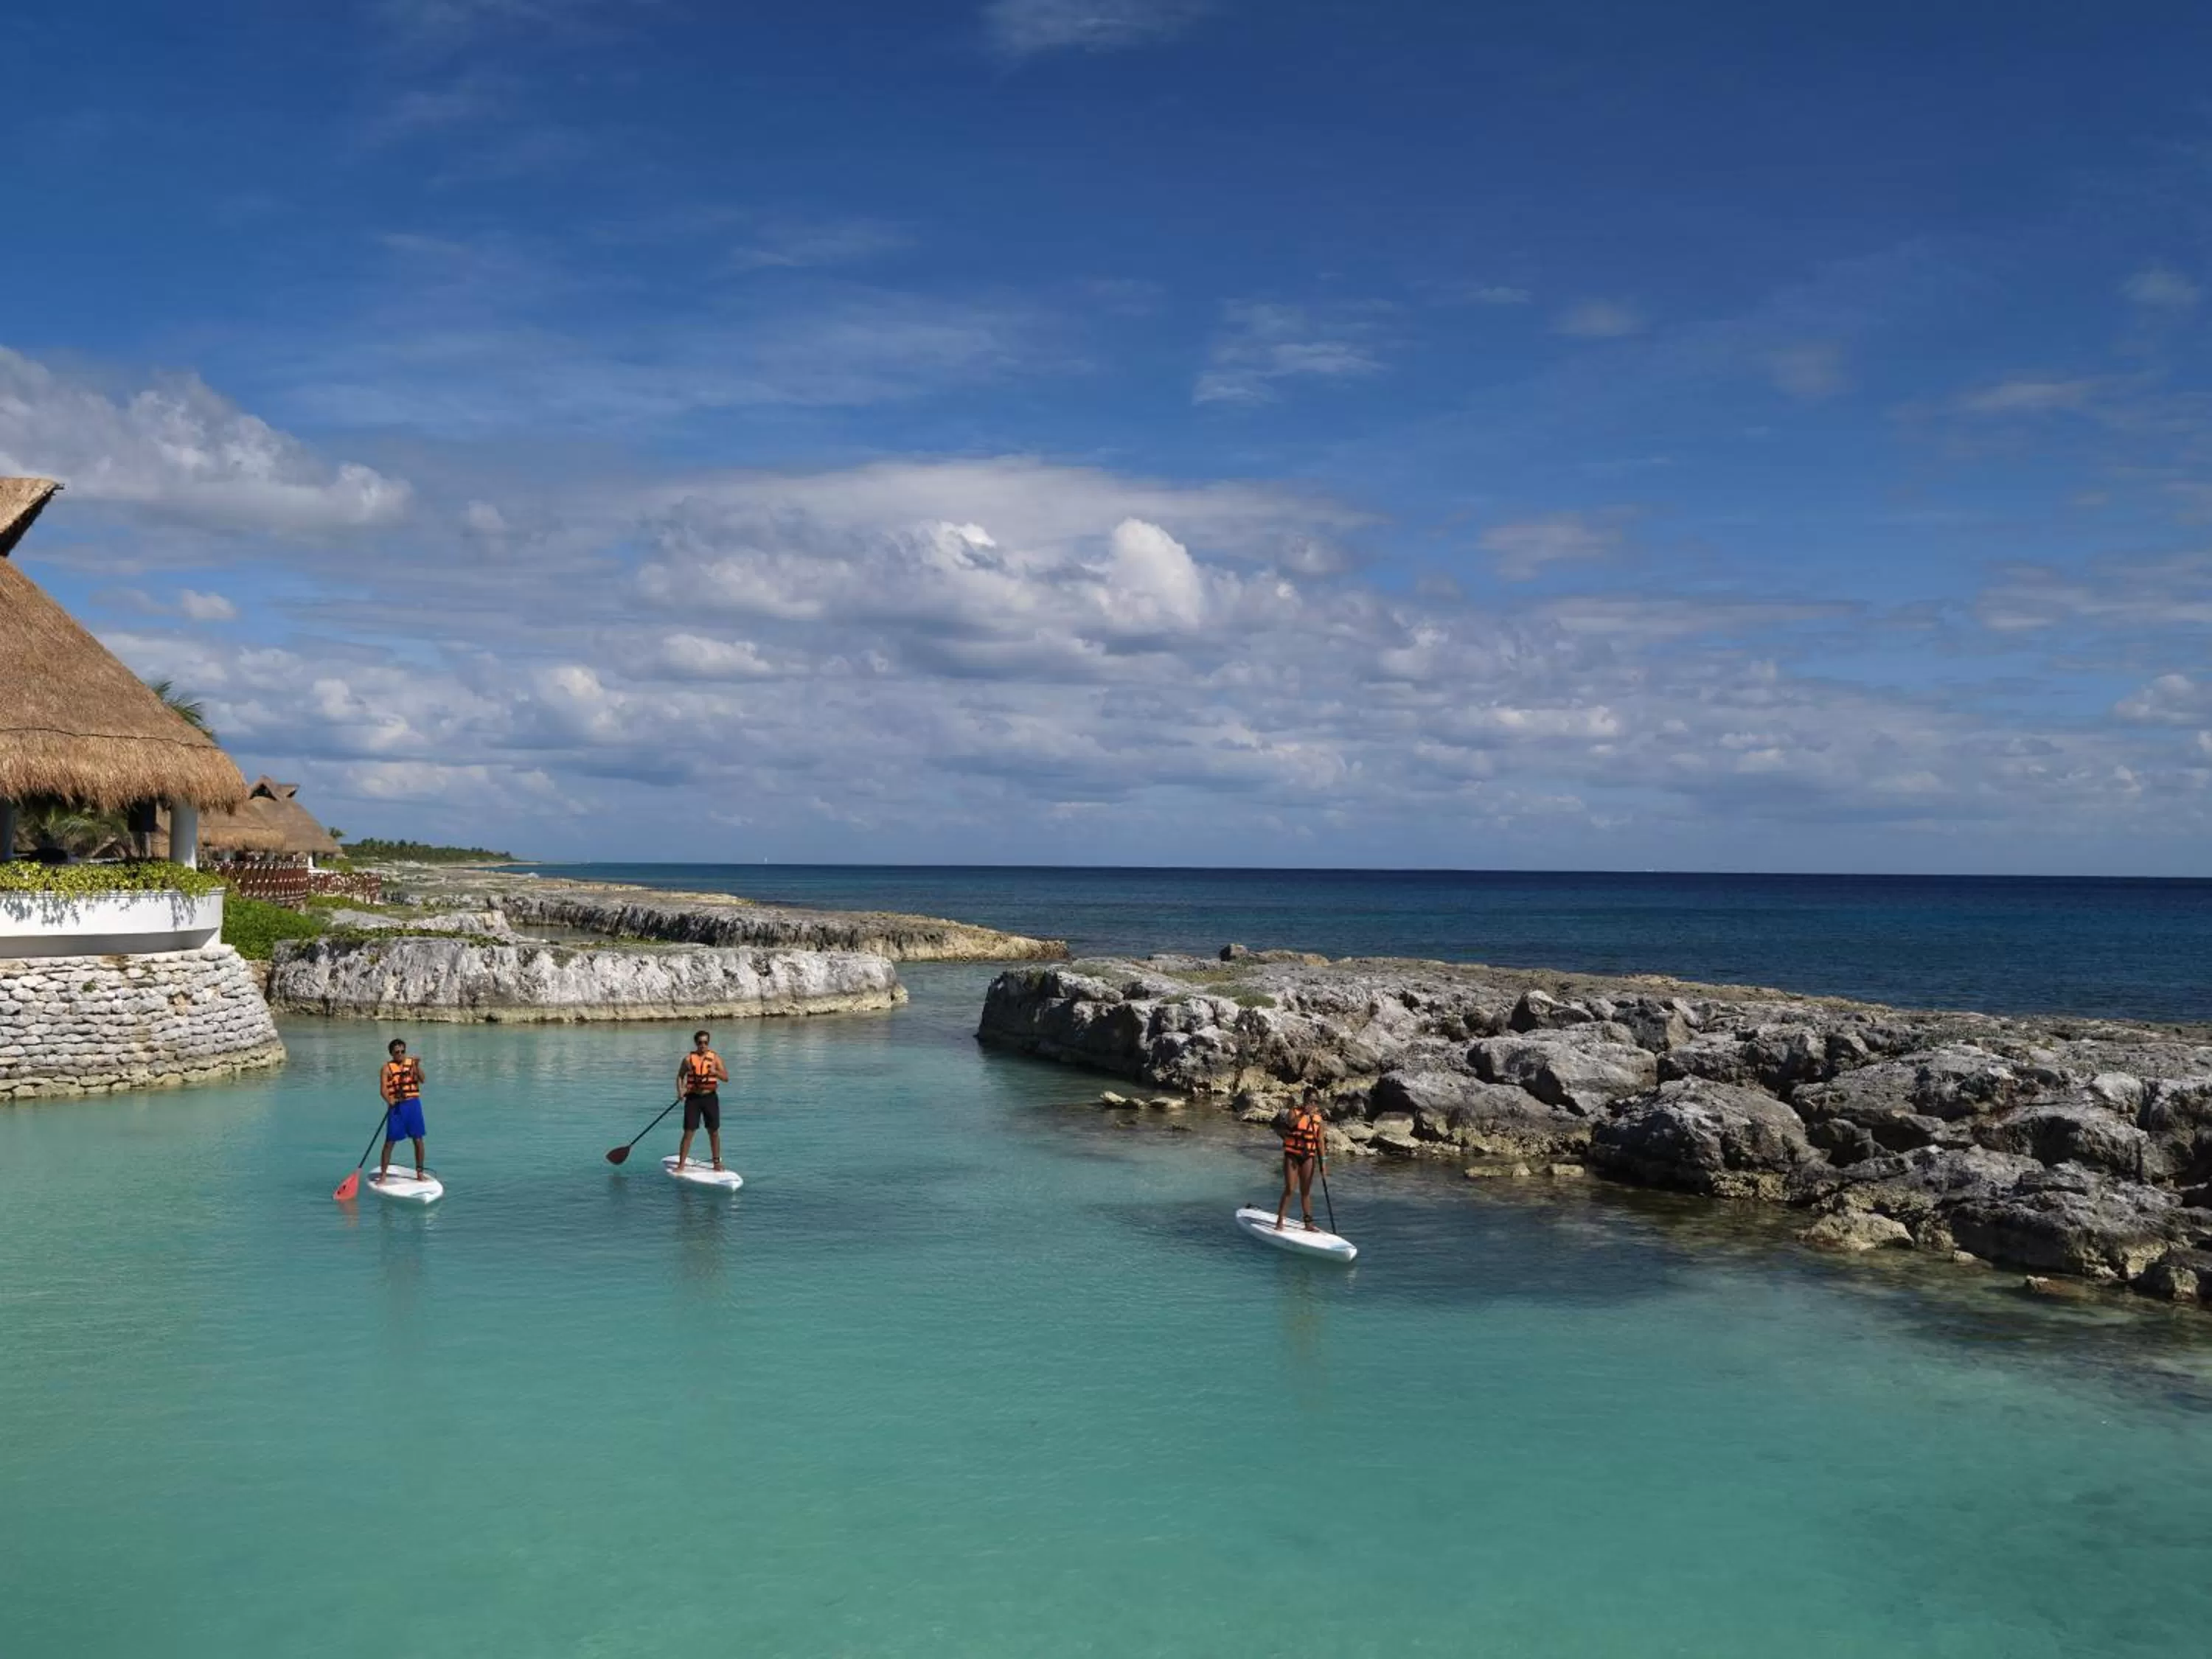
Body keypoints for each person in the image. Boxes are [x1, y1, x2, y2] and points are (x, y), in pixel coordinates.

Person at [675, 1029, 730, 1172]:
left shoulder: (715, 1058)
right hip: (693, 1099)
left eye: (706, 1043)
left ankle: (716, 1163)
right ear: (696, 1043)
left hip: (710, 1098)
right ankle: (681, 1164)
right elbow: (680, 1076)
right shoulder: (688, 1060)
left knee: (713, 1131)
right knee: (689, 1132)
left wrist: (715, 1072)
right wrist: (680, 1091)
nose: (703, 1045)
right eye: (700, 1043)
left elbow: (726, 1078)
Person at [1274, 1089, 1327, 1232]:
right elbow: (1291, 1124)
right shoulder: (1294, 1112)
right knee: (1290, 1189)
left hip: (1308, 1156)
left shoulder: (1318, 1120)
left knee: (1306, 1191)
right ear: (1304, 1101)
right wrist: (1304, 1113)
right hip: (1292, 1155)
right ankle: (1280, 1220)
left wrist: (1323, 1162)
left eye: (1315, 1101)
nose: (1313, 1104)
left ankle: (1308, 1224)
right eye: (1310, 1101)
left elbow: (1321, 1142)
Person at [378, 1037, 427, 1185]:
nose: (400, 1054)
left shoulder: (412, 1064)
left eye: (403, 1051)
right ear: (392, 1053)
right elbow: (383, 1090)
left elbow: (423, 1080)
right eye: (397, 1052)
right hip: (397, 1107)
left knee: (418, 1140)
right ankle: (384, 1174)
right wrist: (390, 1100)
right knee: (390, 1142)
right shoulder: (386, 1068)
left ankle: (420, 1172)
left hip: (413, 1105)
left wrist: (417, 1066)